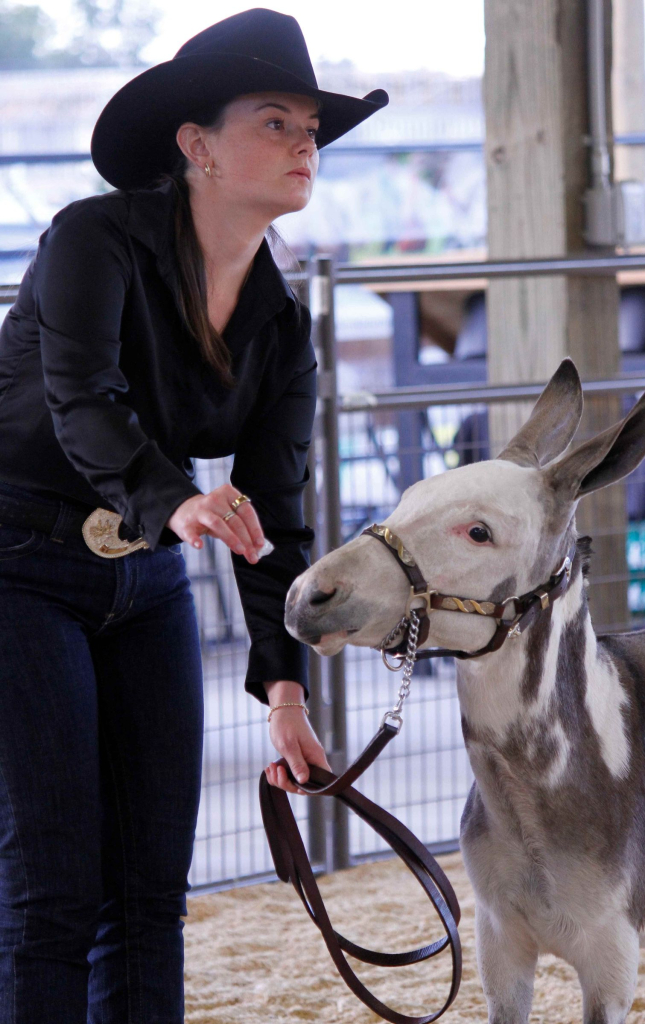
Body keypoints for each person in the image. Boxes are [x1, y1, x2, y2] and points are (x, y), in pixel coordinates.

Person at [0, 8, 388, 1022]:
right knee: (51, 889)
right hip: (15, 560)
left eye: (311, 128)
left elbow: (276, 514)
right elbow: (83, 400)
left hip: (144, 574)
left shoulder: (281, 322)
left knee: (149, 895)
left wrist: (285, 689)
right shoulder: (93, 239)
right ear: (197, 145)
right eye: (274, 121)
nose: (304, 144)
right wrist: (175, 499)